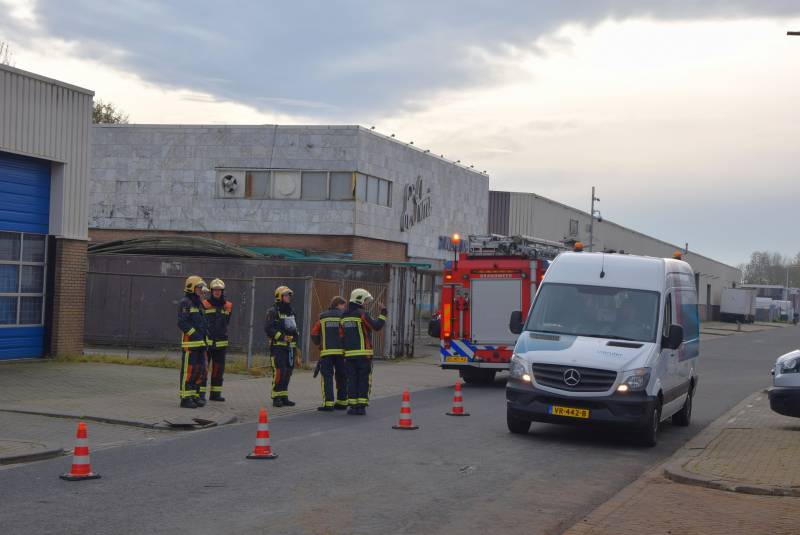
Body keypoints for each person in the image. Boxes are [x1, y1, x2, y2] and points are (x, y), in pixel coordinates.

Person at [341, 289, 387, 415]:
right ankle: (361, 406)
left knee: (351, 380)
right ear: (359, 299)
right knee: (363, 380)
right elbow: (376, 326)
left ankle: (352, 406)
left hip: (349, 355)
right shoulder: (361, 314)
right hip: (363, 354)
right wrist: (383, 312)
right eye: (366, 300)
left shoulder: (344, 316)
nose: (366, 303)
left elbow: (341, 335)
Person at [311, 296, 348, 412]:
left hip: (326, 352)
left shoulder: (323, 317)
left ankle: (328, 403)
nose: (344, 307)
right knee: (342, 376)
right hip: (341, 353)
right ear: (338, 305)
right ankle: (342, 402)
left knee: (327, 377)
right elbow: (346, 333)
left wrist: (319, 343)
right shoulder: (343, 316)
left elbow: (314, 333)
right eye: (343, 305)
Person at [177, 276, 209, 409]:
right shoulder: (186, 302)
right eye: (199, 288)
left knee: (199, 371)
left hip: (200, 344)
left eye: (202, 288)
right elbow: (182, 322)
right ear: (192, 288)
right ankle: (185, 398)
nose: (202, 291)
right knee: (188, 371)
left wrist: (205, 339)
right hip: (190, 344)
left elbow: (203, 323)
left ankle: (194, 395)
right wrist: (195, 336)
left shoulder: (198, 303)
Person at [265, 285, 299, 407]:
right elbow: (269, 329)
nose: (288, 297)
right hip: (278, 348)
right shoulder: (273, 311)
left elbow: (295, 328)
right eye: (286, 295)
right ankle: (276, 396)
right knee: (280, 371)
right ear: (279, 297)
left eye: (289, 295)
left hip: (290, 348)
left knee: (288, 372)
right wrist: (282, 336)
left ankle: (284, 396)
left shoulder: (291, 311)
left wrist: (295, 344)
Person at [202, 278, 233, 402]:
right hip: (207, 342)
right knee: (203, 369)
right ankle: (201, 395)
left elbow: (227, 322)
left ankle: (215, 394)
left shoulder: (228, 306)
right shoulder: (204, 304)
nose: (217, 292)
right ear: (211, 291)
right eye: (215, 290)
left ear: (222, 291)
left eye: (219, 290)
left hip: (221, 343)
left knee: (218, 370)